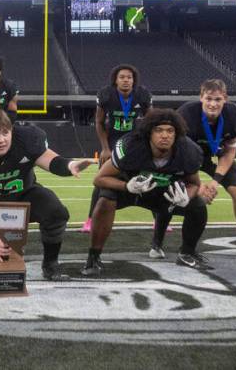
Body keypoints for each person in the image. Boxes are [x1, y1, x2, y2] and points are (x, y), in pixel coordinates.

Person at [0, 108, 95, 283]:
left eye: (5, 133)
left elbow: (52, 161)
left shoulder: (26, 139)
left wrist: (71, 165)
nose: (2, 140)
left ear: (12, 130)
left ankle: (51, 264)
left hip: (23, 193)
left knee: (55, 211)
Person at [83, 108, 210, 276]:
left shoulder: (188, 150)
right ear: (149, 133)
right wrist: (127, 186)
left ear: (177, 133)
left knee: (198, 205)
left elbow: (194, 184)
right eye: (159, 130)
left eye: (170, 131)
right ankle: (93, 257)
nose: (165, 135)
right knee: (106, 196)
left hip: (161, 194)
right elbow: (99, 179)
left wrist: (187, 196)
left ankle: (187, 252)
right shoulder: (131, 145)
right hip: (129, 189)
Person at [177, 79, 236, 258]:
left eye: (217, 99)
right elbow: (180, 154)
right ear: (201, 98)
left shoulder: (235, 116)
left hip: (218, 153)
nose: (213, 104)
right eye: (208, 99)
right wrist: (198, 186)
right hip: (188, 156)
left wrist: (215, 181)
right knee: (176, 190)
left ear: (225, 99)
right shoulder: (186, 115)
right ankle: (164, 241)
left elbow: (230, 150)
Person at [81, 64, 153, 233]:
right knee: (101, 181)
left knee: (148, 177)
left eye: (129, 77)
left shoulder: (142, 95)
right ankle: (90, 220)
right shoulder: (106, 95)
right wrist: (105, 148)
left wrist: (148, 145)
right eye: (122, 77)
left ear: (133, 80)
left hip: (135, 142)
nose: (126, 80)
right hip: (113, 141)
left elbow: (152, 120)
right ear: (115, 80)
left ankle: (159, 218)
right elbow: (99, 122)